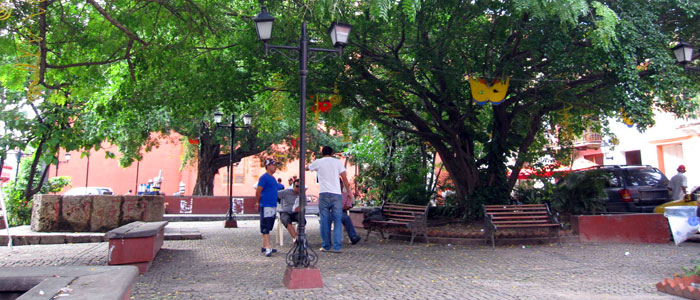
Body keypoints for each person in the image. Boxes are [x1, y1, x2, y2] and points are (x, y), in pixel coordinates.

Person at [307, 146, 353, 253]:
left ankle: (326, 245)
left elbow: (307, 168)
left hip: (324, 194)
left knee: (324, 220)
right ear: (332, 153)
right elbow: (344, 178)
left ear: (322, 153)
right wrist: (349, 191)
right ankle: (337, 247)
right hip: (336, 194)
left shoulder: (319, 162)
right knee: (337, 220)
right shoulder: (337, 163)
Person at [255, 158, 285, 257]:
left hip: (272, 205)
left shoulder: (272, 178)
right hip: (266, 205)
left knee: (269, 225)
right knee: (265, 226)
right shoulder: (264, 178)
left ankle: (265, 245)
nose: (275, 167)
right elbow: (258, 190)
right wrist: (258, 202)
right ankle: (267, 247)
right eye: (273, 165)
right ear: (268, 166)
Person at [340, 179, 361, 245]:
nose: (341, 186)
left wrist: (346, 206)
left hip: (341, 212)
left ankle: (353, 236)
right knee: (345, 218)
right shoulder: (332, 195)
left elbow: (349, 205)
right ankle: (352, 236)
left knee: (346, 218)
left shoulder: (345, 194)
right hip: (332, 212)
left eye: (341, 184)